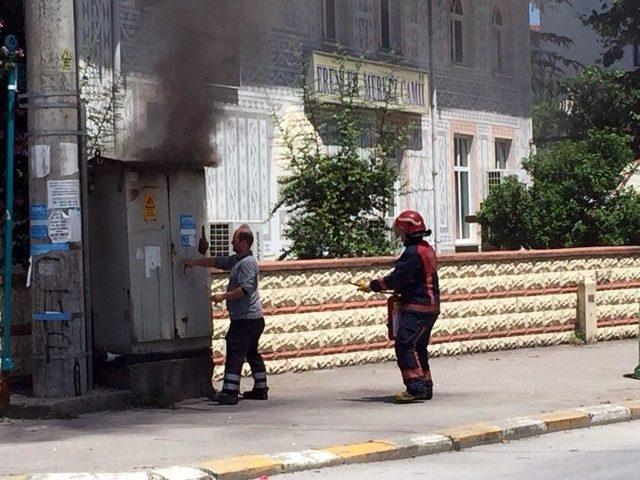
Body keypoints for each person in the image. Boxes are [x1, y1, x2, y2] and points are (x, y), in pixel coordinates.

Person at [358, 210, 440, 404]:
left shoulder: (412, 253)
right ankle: (425, 385)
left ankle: (415, 388)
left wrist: (372, 286)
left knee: (404, 345)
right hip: (429, 306)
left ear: (408, 231)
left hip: (417, 307)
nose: (399, 235)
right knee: (418, 347)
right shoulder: (426, 248)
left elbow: (396, 279)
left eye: (400, 231)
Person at [183, 224, 268, 405]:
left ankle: (230, 391)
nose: (231, 242)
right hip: (253, 320)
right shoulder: (238, 260)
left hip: (245, 319)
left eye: (234, 240)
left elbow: (245, 290)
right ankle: (261, 387)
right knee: (252, 352)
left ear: (244, 243)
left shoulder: (247, 264)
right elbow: (217, 261)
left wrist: (223, 296)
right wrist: (193, 262)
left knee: (236, 352)